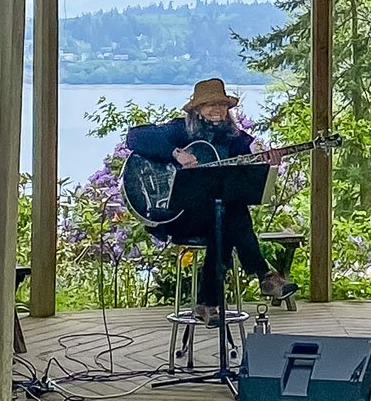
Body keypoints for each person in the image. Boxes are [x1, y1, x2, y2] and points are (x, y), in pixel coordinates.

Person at [126, 78, 298, 323]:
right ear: (197, 109)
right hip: (176, 215)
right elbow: (135, 137)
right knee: (229, 215)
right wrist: (176, 153)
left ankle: (208, 304)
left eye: (222, 105)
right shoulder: (180, 130)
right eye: (210, 105)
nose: (217, 110)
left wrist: (268, 163)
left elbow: (250, 170)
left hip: (215, 218)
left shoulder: (236, 139)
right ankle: (261, 275)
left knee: (226, 217)